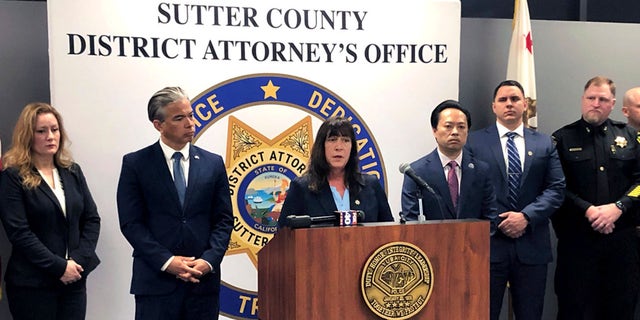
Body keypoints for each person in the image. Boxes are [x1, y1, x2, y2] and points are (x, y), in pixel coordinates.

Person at [116, 87, 233, 320]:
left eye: (191, 115)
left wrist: (208, 261)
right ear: (158, 125)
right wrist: (167, 262)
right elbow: (131, 224)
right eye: (179, 118)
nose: (190, 123)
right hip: (155, 284)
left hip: (202, 285)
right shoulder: (135, 164)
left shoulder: (213, 163)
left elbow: (224, 220)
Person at [466, 80, 565, 320]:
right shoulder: (473, 142)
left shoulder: (544, 142)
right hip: (489, 246)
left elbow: (556, 188)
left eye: (514, 99)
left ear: (525, 105)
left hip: (531, 245)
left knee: (530, 314)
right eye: (503, 100)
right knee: (483, 314)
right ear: (493, 106)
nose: (509, 104)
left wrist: (526, 217)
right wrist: (497, 220)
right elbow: (470, 190)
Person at [0, 102, 101, 320]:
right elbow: (19, 232)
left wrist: (77, 262)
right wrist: (59, 267)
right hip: (32, 285)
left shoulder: (72, 171)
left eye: (55, 130)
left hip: (74, 281)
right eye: (41, 131)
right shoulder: (13, 176)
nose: (50, 136)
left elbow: (92, 219)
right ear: (28, 135)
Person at [552, 76, 640, 319]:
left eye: (602, 99)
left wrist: (620, 206)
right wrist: (588, 209)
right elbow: (557, 187)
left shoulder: (631, 137)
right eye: (591, 98)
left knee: (621, 307)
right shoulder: (562, 139)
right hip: (578, 242)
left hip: (621, 242)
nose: (596, 103)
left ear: (612, 104)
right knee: (575, 308)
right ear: (583, 100)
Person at [278, 116, 394, 227]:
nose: (339, 147)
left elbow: (389, 232)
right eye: (332, 140)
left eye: (345, 140)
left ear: (352, 148)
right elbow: (283, 239)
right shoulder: (302, 188)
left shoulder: (371, 185)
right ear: (321, 146)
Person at [401, 99, 497, 223]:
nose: (455, 132)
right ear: (434, 130)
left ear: (467, 132)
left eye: (461, 127)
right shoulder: (416, 172)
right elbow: (410, 220)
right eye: (448, 126)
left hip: (473, 242)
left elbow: (490, 218)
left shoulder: (482, 171)